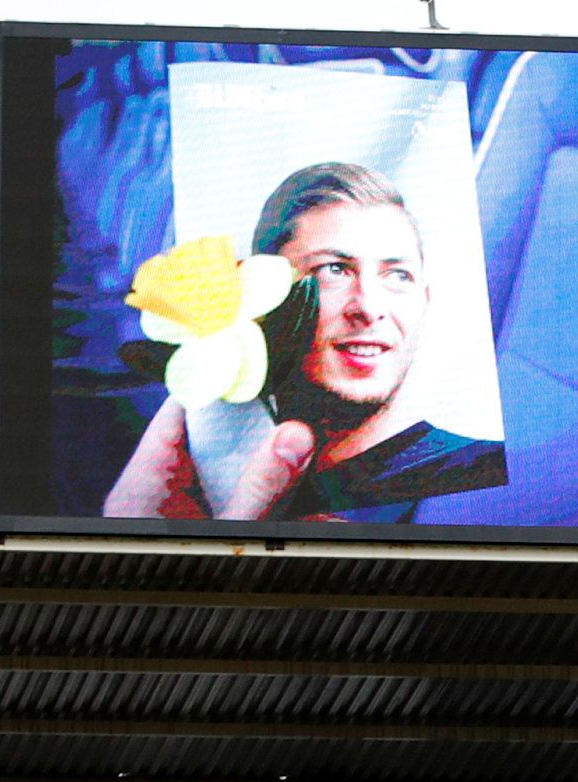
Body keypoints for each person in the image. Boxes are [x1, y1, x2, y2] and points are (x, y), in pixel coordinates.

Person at [103, 162, 505, 522]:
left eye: (398, 275)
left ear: (425, 299)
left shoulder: (475, 470)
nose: (369, 308)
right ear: (262, 297)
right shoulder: (203, 474)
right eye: (334, 269)